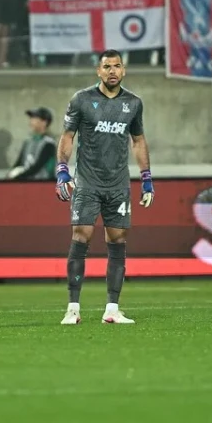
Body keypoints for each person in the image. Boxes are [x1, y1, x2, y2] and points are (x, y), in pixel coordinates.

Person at [56, 49, 153, 326]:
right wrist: (62, 169)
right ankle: (73, 308)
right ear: (98, 71)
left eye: (117, 66)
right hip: (87, 181)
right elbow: (67, 136)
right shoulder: (82, 100)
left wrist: (146, 177)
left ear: (123, 71)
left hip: (118, 183)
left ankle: (112, 309)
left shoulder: (133, 103)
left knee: (118, 240)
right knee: (81, 235)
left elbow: (138, 141)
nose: (112, 71)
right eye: (107, 66)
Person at [7, 107, 57, 180]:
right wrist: (10, 174)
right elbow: (19, 163)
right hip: (26, 185)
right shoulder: (28, 142)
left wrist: (17, 177)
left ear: (44, 122)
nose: (31, 121)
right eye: (31, 118)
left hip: (43, 186)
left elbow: (37, 168)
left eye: (35, 118)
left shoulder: (49, 144)